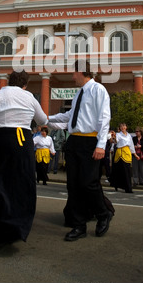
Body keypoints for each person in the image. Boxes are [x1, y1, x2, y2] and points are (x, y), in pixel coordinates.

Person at [0, 70, 47, 251]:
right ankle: (18, 228)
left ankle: (1, 234)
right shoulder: (29, 96)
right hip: (22, 138)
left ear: (9, 81)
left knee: (0, 182)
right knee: (23, 183)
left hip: (1, 137)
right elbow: (42, 119)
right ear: (25, 84)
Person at [48, 60, 112, 241]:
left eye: (74, 72)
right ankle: (79, 225)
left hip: (90, 141)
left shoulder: (98, 89)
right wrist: (45, 119)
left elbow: (104, 117)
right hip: (74, 141)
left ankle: (103, 213)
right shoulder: (78, 94)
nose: (72, 76)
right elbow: (68, 117)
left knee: (89, 183)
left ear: (82, 72)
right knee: (73, 185)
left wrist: (101, 145)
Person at [109, 123, 139, 193]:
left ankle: (126, 186)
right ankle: (127, 187)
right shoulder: (118, 135)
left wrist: (135, 155)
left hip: (127, 153)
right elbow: (116, 141)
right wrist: (113, 137)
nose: (123, 127)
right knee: (123, 170)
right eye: (121, 126)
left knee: (127, 170)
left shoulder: (129, 135)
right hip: (120, 153)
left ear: (126, 127)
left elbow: (131, 146)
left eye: (124, 126)